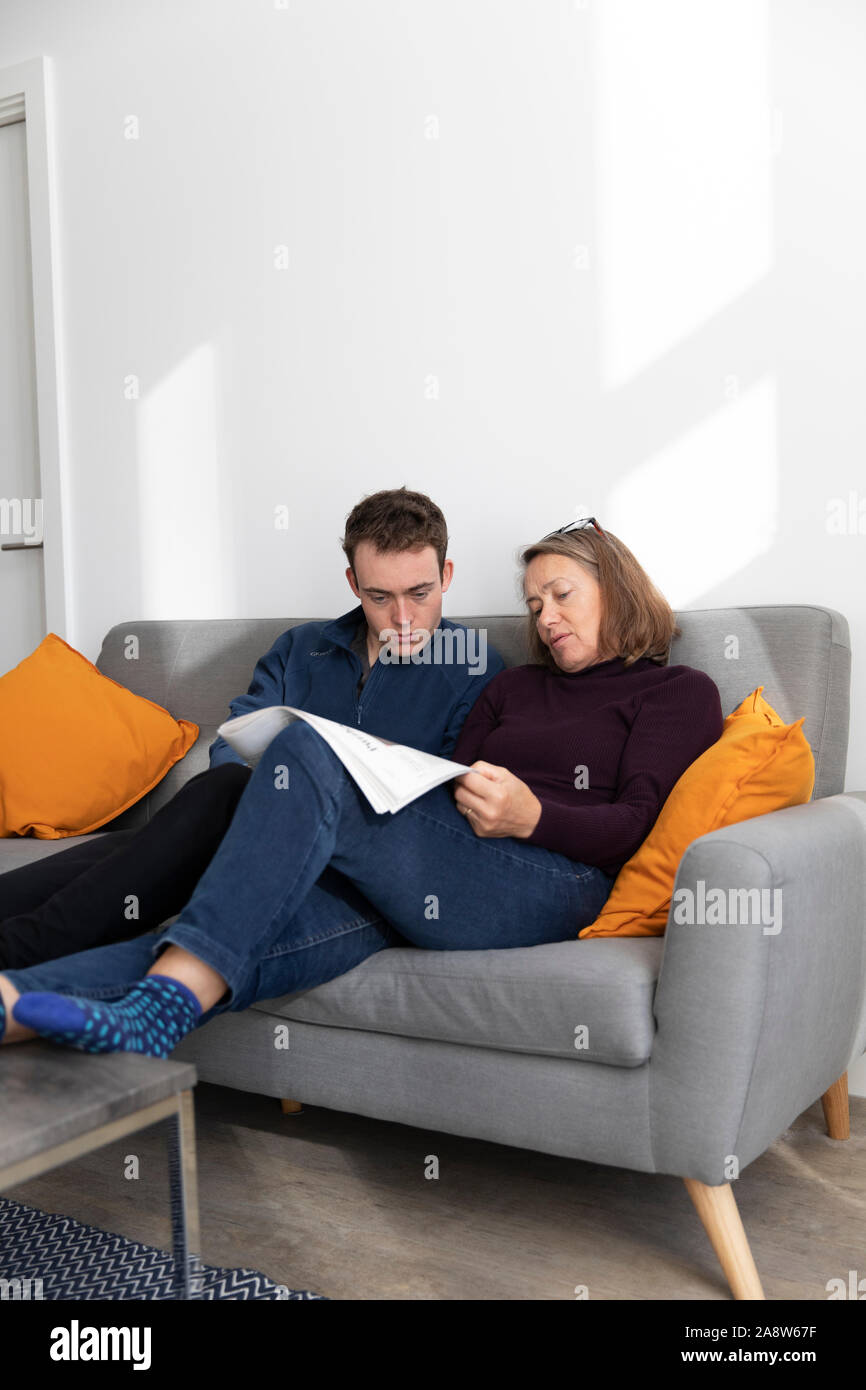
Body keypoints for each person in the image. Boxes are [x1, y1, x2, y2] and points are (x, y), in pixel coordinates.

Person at [0, 518, 724, 1054]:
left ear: (616, 585)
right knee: (266, 918)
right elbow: (443, 788)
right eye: (535, 605)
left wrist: (535, 816)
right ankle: (24, 1003)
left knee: (306, 747)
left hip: (554, 880)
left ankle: (148, 1003)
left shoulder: (675, 691)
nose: (547, 617)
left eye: (562, 595)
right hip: (440, 871)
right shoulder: (517, 688)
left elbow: (635, 826)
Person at [0, 487, 502, 971]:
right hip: (250, 830)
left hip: (359, 861)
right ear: (353, 584)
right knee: (152, 837)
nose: (403, 618)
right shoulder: (301, 648)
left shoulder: (476, 667)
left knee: (202, 814)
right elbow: (234, 742)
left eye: (420, 593)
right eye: (379, 596)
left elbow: (454, 810)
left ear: (447, 574)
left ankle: (22, 952)